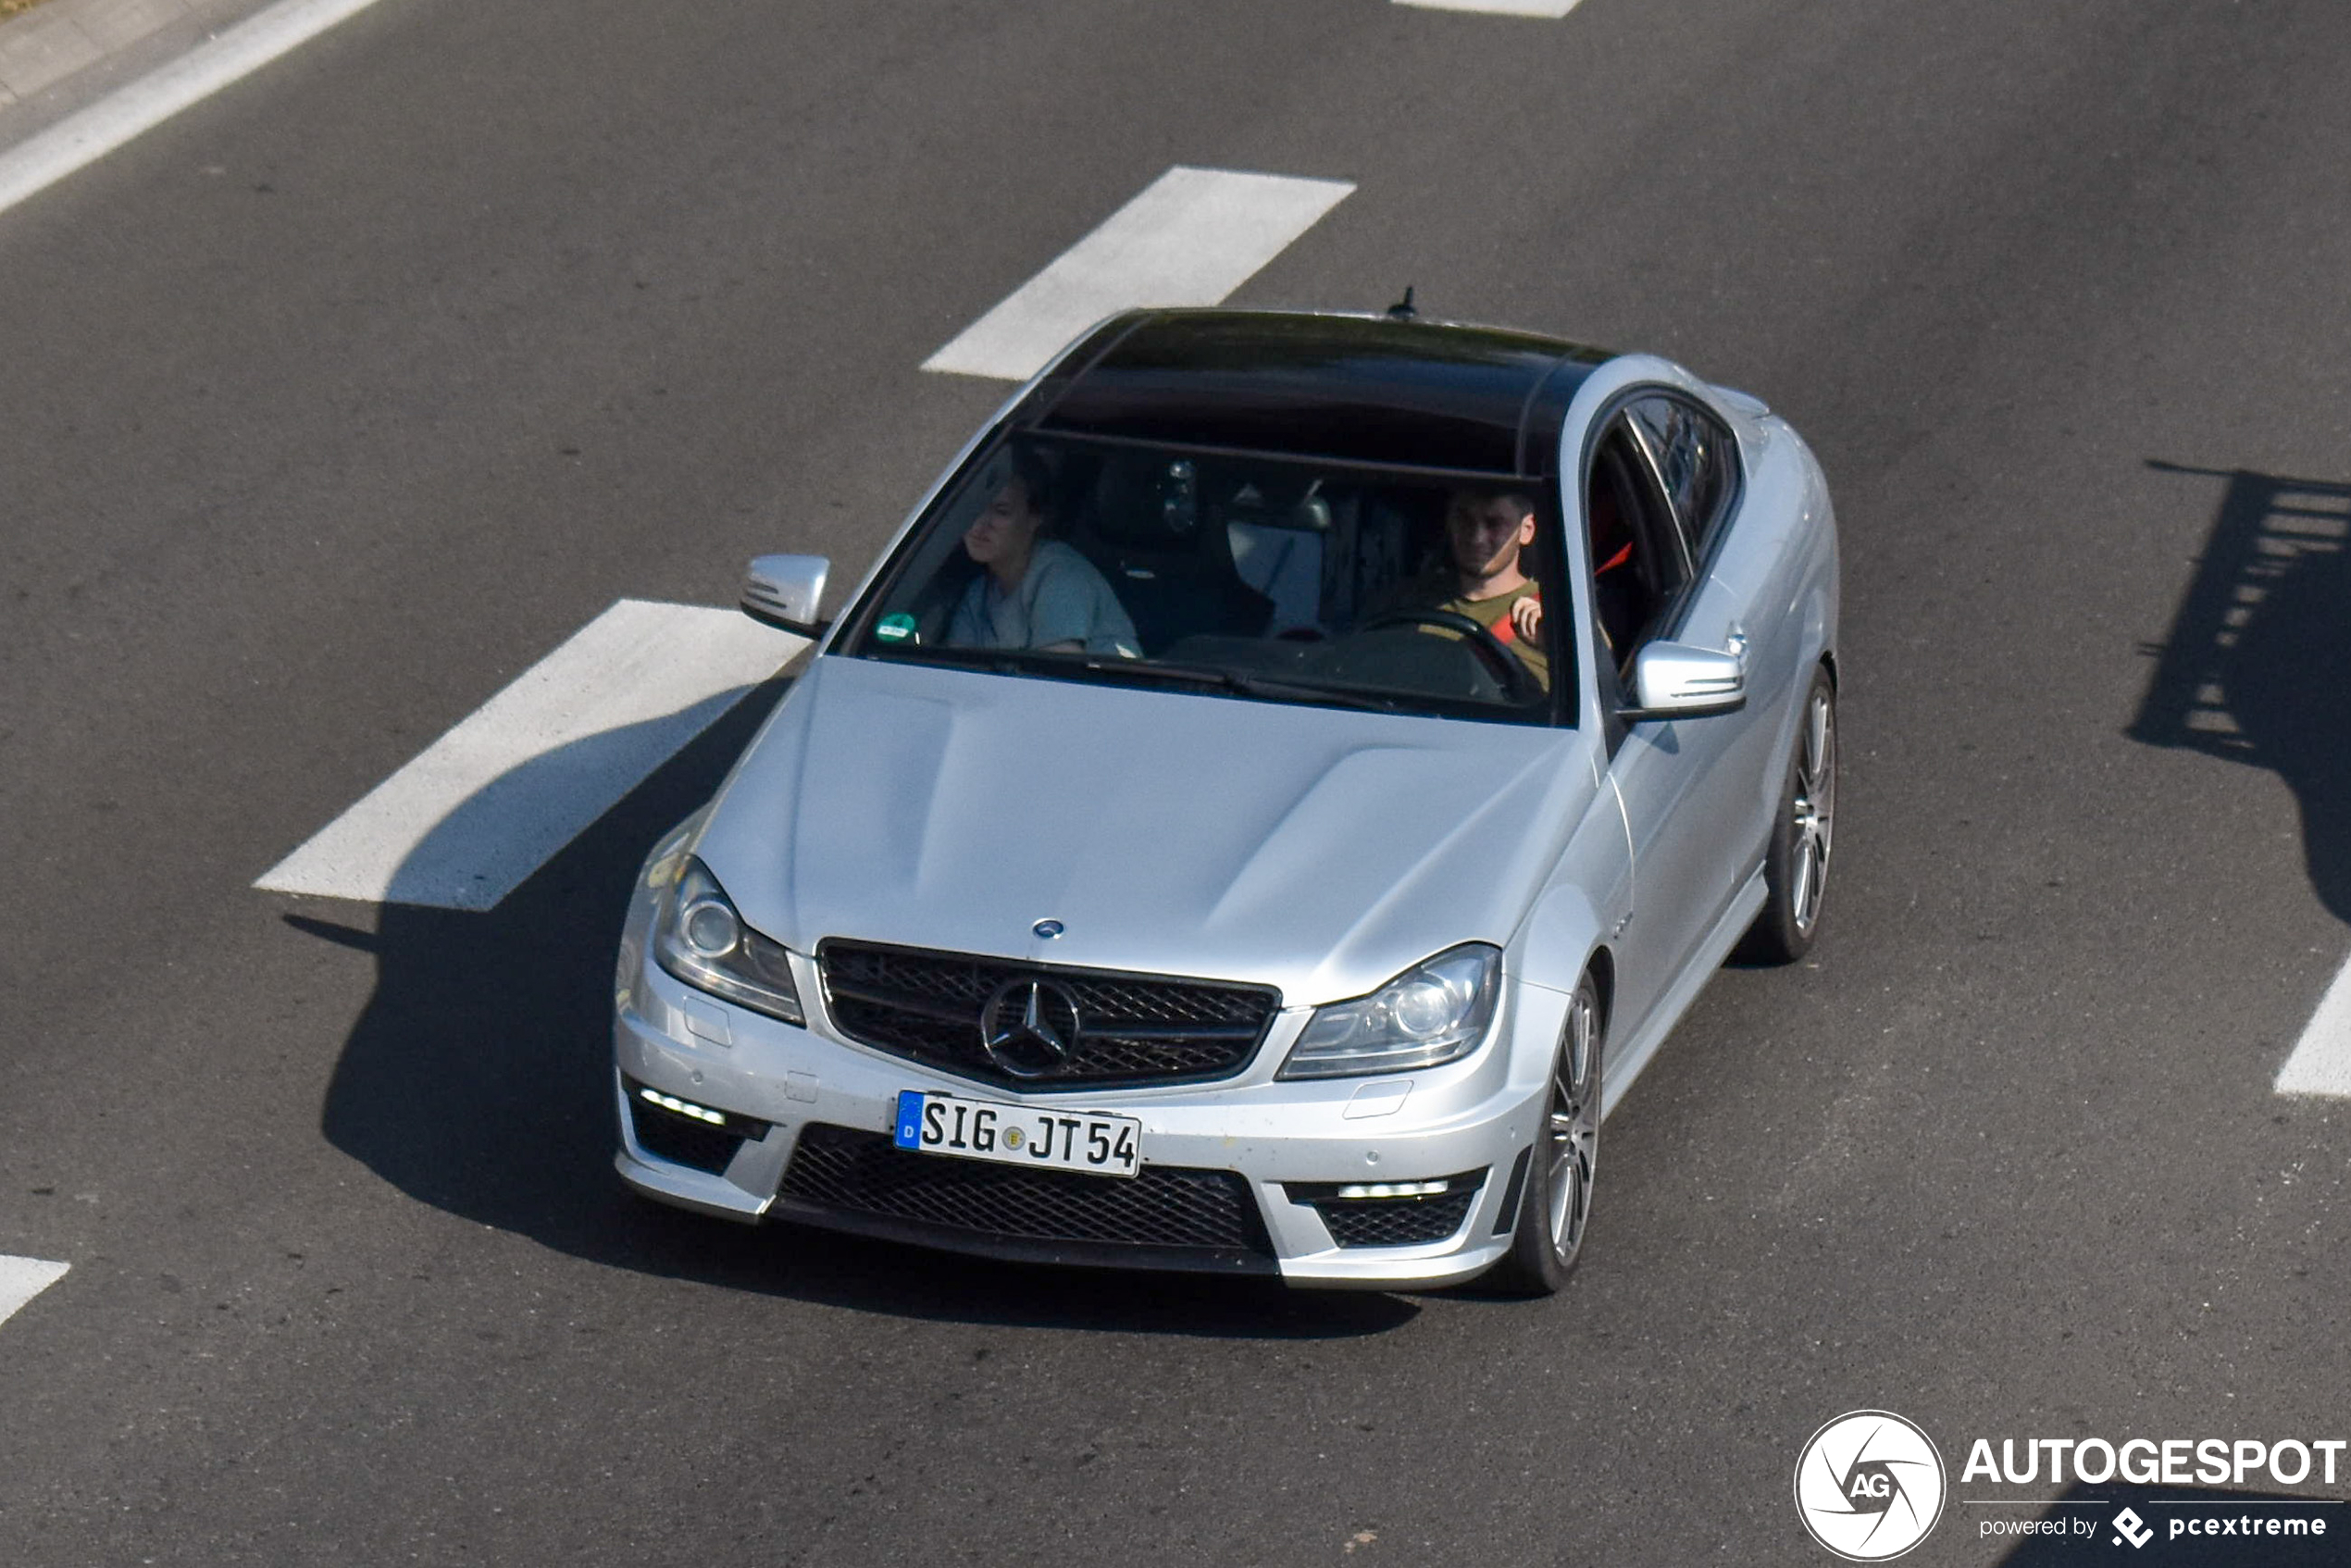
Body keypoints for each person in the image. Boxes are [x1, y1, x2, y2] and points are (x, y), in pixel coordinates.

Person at [944, 451, 1140, 656]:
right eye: (975, 507)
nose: (979, 525)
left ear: (1035, 518)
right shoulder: (977, 595)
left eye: (1001, 512)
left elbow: (1057, 675)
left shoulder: (1063, 576)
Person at [1377, 486, 1551, 690]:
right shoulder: (1405, 600)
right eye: (1464, 519)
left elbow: (1593, 692)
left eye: (1494, 524)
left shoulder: (1555, 613)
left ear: (1526, 530)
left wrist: (1552, 646)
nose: (1477, 537)